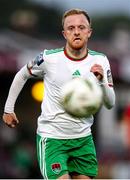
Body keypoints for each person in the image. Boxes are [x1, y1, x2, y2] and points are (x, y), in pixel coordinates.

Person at [3, 9, 115, 179]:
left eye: (81, 27)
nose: (76, 32)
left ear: (89, 32)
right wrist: (8, 108)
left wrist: (101, 82)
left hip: (83, 139)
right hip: (53, 139)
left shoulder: (101, 61)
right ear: (64, 33)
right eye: (70, 28)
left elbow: (110, 103)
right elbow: (22, 74)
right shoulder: (49, 58)